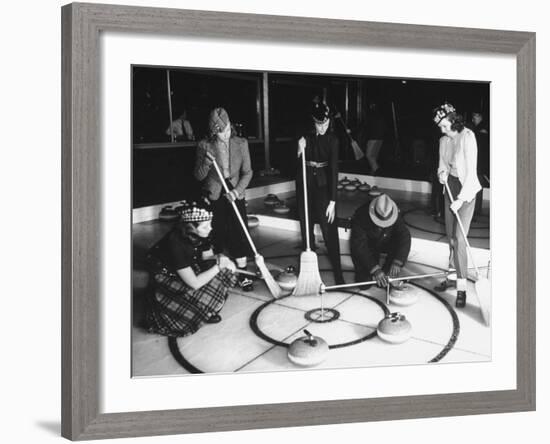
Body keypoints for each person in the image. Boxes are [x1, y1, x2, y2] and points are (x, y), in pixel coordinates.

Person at [145, 200, 237, 337]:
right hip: (166, 275)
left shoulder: (202, 234)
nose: (210, 228)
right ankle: (198, 311)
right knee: (203, 286)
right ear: (191, 227)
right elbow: (194, 283)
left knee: (225, 271)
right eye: (206, 226)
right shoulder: (175, 243)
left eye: (210, 224)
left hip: (186, 268)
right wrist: (218, 266)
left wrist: (221, 259)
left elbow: (207, 259)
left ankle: (205, 309)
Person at [194, 107, 254, 290]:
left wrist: (236, 191)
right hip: (215, 193)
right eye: (221, 132)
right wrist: (205, 162)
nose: (226, 134)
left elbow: (248, 172)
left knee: (239, 232)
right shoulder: (204, 146)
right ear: (214, 131)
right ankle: (218, 271)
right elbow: (198, 176)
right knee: (217, 233)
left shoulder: (241, 143)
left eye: (228, 129)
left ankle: (243, 273)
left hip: (235, 191)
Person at [432, 102, 482, 308]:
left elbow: (471, 173)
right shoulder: (443, 140)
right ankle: (452, 276)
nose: (442, 130)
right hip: (450, 187)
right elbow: (442, 165)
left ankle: (462, 288)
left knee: (460, 239)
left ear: (453, 120)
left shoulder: (468, 137)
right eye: (440, 127)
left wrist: (461, 199)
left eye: (444, 125)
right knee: (451, 237)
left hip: (466, 190)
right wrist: (441, 174)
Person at [297, 102, 344, 285]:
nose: (323, 128)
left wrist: (333, 201)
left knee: (329, 229)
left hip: (324, 187)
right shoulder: (304, 136)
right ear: (313, 122)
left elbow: (333, 170)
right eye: (319, 124)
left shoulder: (333, 139)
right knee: (305, 225)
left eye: (325, 124)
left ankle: (338, 272)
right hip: (304, 184)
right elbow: (294, 162)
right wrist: (299, 150)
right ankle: (308, 272)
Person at [350, 194, 411, 288]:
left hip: (386, 241)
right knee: (364, 284)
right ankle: (373, 269)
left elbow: (405, 236)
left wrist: (398, 261)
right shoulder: (361, 215)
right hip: (368, 245)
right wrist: (375, 269)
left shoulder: (393, 210)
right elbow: (359, 246)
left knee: (384, 282)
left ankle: (388, 268)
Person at [359, 101, 387, 175]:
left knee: (369, 155)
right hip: (380, 138)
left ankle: (377, 170)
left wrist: (352, 130)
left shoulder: (370, 115)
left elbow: (364, 126)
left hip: (373, 138)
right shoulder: (380, 115)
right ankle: (373, 171)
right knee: (374, 156)